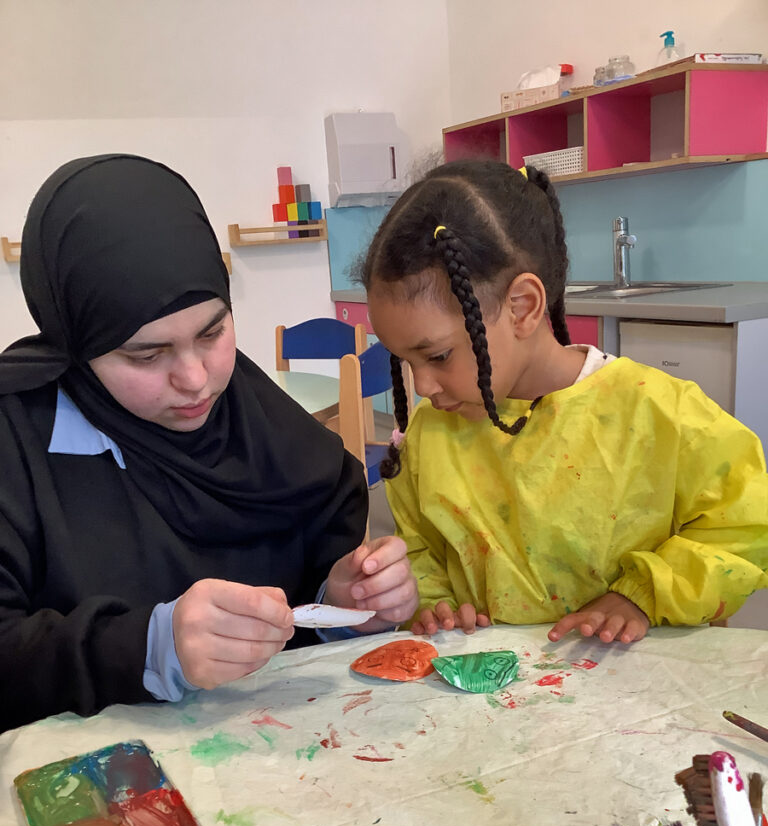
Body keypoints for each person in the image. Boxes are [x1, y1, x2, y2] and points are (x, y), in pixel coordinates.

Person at [0, 154, 418, 732]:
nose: (195, 380)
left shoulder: (259, 422)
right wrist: (146, 649)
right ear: (76, 340)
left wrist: (341, 601)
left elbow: (315, 573)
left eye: (214, 332)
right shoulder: (17, 442)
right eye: (146, 355)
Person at [359, 159, 768, 643]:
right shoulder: (431, 434)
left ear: (523, 307)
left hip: (631, 694)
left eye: (439, 355)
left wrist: (641, 593)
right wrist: (431, 604)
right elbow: (419, 548)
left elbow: (743, 525)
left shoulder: (655, 412)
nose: (421, 386)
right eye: (404, 361)